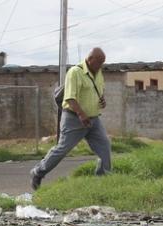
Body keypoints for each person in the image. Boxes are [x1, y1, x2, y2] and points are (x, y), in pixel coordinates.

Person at [30, 47, 111, 190]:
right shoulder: (75, 72)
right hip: (74, 118)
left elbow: (98, 90)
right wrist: (81, 114)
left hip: (94, 119)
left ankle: (103, 180)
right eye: (99, 62)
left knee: (104, 146)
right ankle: (38, 172)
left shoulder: (98, 73)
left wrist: (102, 100)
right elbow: (70, 98)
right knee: (62, 149)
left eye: (102, 63)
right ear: (90, 59)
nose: (100, 66)